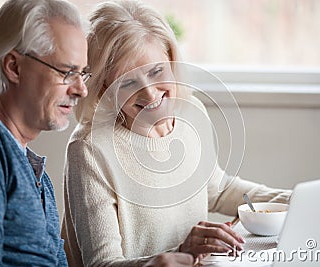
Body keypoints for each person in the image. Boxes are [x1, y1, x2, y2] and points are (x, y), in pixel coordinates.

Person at [61, 0, 292, 266]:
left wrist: (295, 200)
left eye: (157, 71)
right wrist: (181, 249)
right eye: (128, 82)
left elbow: (216, 190)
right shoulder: (89, 149)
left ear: (171, 59)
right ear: (104, 89)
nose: (149, 93)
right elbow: (101, 263)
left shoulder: (191, 111)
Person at [0, 0, 90, 266]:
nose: (82, 90)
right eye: (68, 72)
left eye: (83, 74)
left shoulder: (37, 173)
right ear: (14, 67)